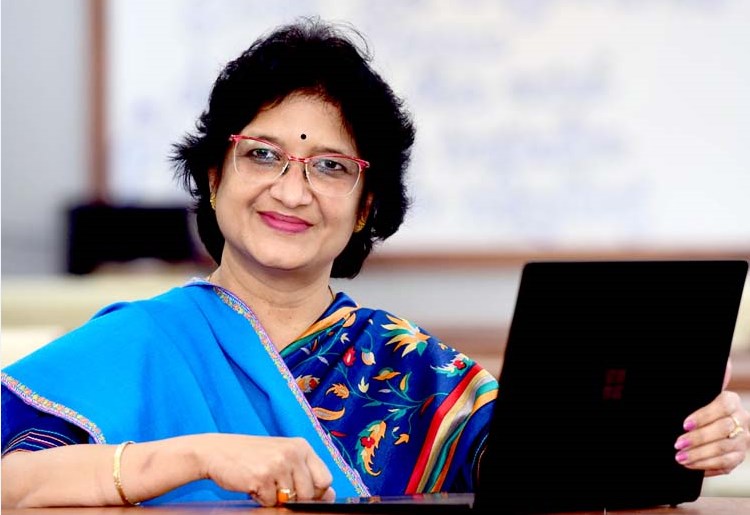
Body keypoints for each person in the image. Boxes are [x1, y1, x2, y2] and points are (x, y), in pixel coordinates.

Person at [1, 16, 748, 509]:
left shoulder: (406, 367)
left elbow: (550, 471)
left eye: (330, 166)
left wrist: (683, 438)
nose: (291, 189)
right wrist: (196, 456)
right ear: (214, 175)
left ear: (365, 208)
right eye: (261, 154)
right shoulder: (139, 343)